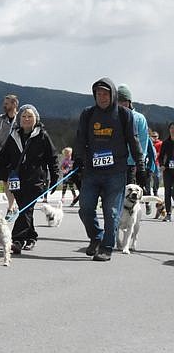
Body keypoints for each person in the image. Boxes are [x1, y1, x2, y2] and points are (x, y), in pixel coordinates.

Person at [72, 77, 145, 262]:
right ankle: (96, 237)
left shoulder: (124, 114)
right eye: (98, 94)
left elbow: (134, 141)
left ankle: (106, 247)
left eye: (105, 94)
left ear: (112, 95)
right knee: (85, 208)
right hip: (92, 171)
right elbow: (80, 139)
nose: (102, 97)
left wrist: (141, 165)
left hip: (116, 172)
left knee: (111, 212)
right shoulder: (88, 114)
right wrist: (77, 160)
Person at [0, 105, 59, 254]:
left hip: (36, 180)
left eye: (30, 116)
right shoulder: (13, 136)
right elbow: (3, 157)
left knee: (26, 209)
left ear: (36, 119)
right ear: (19, 119)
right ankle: (31, 236)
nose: (26, 119)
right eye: (24, 116)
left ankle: (17, 241)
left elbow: (52, 158)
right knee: (26, 209)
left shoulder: (43, 135)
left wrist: (55, 177)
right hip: (17, 180)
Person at [116, 84, 157, 186]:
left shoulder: (139, 118)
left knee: (129, 195)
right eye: (118, 101)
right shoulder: (112, 117)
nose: (121, 104)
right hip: (115, 163)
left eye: (124, 101)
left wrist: (140, 165)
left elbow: (143, 143)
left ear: (129, 102)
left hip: (132, 163)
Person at [0, 94, 20, 211]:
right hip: (3, 157)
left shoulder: (21, 119)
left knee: (15, 182)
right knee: (5, 182)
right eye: (4, 103)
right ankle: (11, 206)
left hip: (17, 157)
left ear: (14, 104)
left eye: (7, 104)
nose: (4, 105)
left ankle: (15, 205)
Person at [158, 122, 174, 222]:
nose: (173, 130)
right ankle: (168, 213)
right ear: (169, 129)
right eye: (172, 128)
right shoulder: (165, 142)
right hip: (168, 169)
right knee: (167, 191)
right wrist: (162, 165)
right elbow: (160, 156)